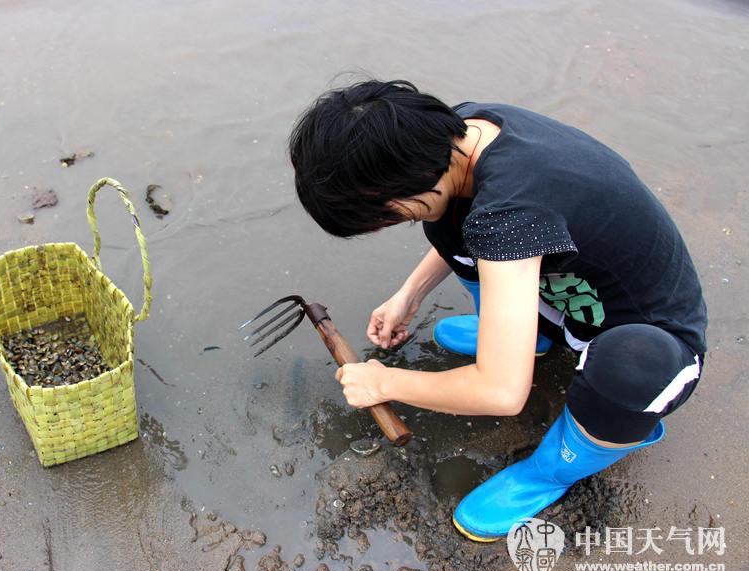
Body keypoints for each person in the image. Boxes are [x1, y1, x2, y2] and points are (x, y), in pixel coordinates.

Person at [288, 80, 707, 542]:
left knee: (631, 364)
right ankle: (528, 340)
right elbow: (471, 223)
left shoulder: (509, 212)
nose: (391, 224)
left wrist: (382, 381)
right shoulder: (461, 132)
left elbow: (504, 395)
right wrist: (410, 293)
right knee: (445, 217)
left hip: (653, 342)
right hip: (566, 288)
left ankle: (550, 472)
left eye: (389, 216)